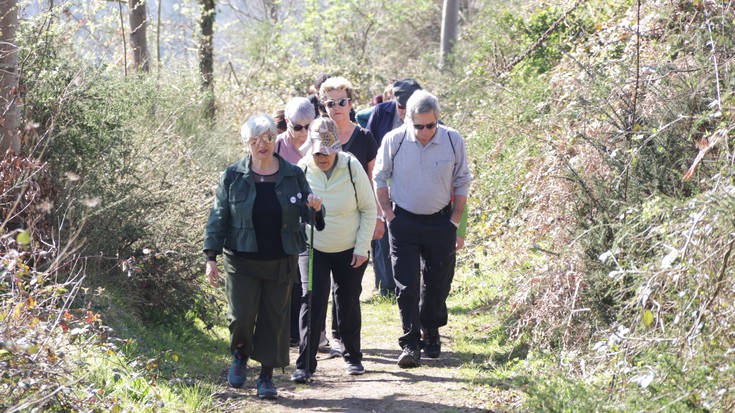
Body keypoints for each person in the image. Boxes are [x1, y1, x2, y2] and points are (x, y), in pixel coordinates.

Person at [203, 114, 325, 398]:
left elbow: (310, 212)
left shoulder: (293, 174)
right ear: (247, 143)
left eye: (267, 138)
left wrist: (316, 207)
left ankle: (266, 377)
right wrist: (211, 257)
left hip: (281, 259)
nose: (262, 144)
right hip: (241, 260)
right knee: (241, 317)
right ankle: (240, 354)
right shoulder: (233, 176)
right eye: (255, 140)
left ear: (274, 139)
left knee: (275, 320)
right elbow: (218, 217)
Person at [372, 90, 472, 368]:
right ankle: (411, 343)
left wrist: (456, 219)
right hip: (403, 221)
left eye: (430, 125)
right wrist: (388, 214)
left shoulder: (453, 140)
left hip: (441, 221)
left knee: (438, 283)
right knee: (406, 285)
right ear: (407, 120)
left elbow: (462, 179)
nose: (425, 131)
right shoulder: (395, 140)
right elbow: (379, 175)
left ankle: (431, 328)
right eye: (419, 126)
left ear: (438, 120)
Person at [291, 117, 377, 382]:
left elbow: (368, 208)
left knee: (347, 300)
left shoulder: (352, 167)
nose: (322, 157)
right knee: (311, 300)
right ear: (311, 150)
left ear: (336, 148)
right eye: (318, 152)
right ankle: (305, 364)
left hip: (349, 247)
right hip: (313, 247)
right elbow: (292, 211)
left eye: (327, 152)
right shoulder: (302, 170)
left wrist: (362, 248)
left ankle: (353, 357)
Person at [319, 76, 383, 358]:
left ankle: (345, 335)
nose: (337, 107)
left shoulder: (364, 137)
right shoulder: (321, 135)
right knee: (330, 283)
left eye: (342, 102)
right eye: (330, 103)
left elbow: (373, 179)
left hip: (358, 220)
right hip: (325, 221)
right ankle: (335, 337)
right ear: (324, 106)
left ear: (351, 103)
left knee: (351, 284)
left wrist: (379, 217)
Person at [366, 78, 423, 297]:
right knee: (382, 239)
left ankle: (410, 286)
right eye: (401, 107)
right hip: (382, 182)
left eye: (409, 108)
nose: (404, 112)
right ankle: (385, 288)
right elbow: (369, 143)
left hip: (413, 188)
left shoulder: (427, 114)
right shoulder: (381, 112)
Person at [274, 97, 317, 347]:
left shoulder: (320, 144)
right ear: (287, 122)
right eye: (298, 127)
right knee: (285, 277)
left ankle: (307, 332)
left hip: (309, 220)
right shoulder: (277, 146)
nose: (304, 132)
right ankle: (286, 331)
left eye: (308, 126)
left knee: (306, 280)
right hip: (282, 221)